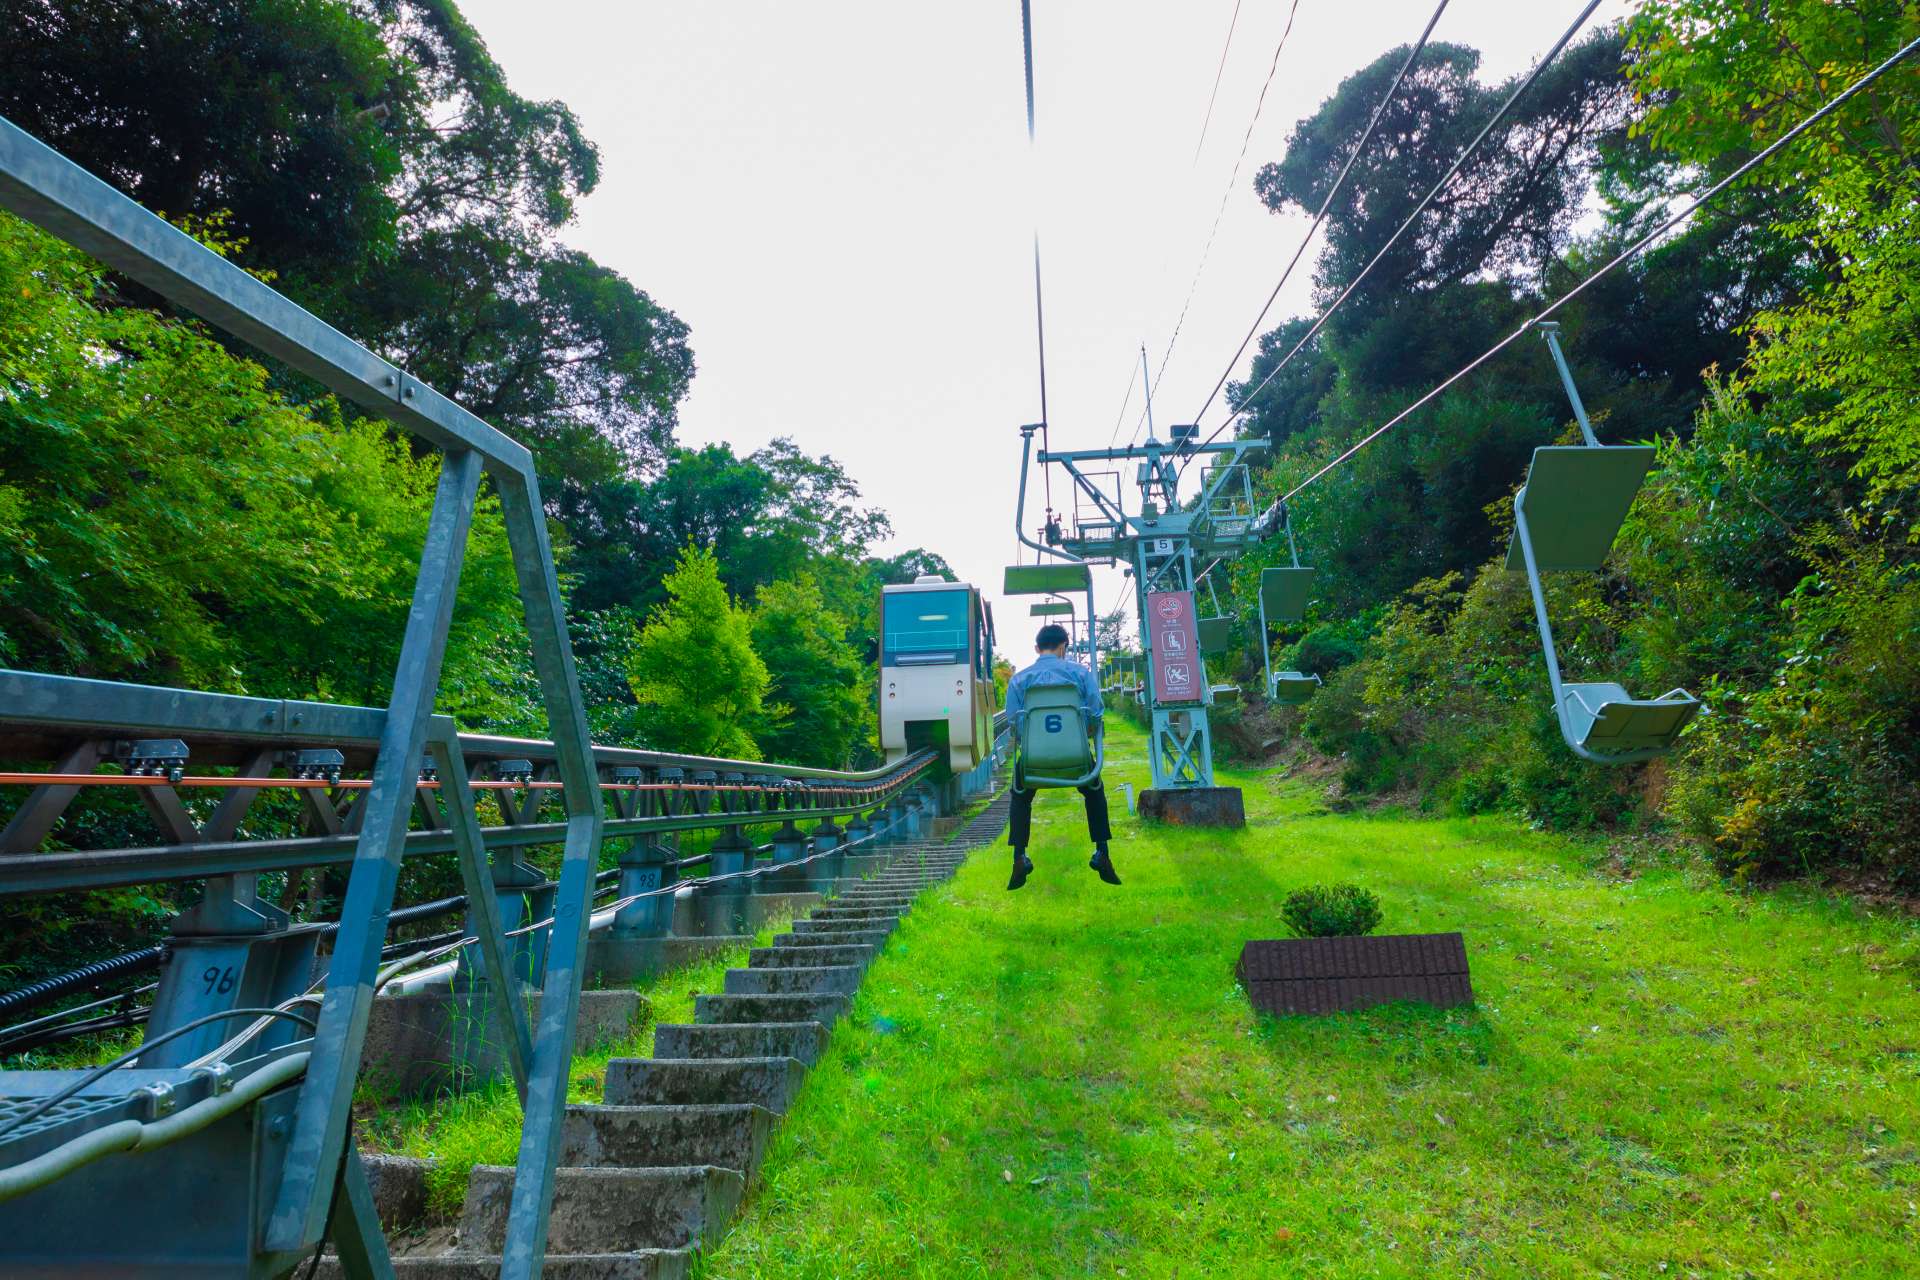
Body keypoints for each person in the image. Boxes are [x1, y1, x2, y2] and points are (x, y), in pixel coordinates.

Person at [1003, 623, 1120, 890]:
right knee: (1094, 790)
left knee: (1020, 794)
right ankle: (1102, 851)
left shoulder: (1019, 680)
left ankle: (1018, 856)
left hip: (1034, 762)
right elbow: (1096, 713)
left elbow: (1014, 723)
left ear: (1037, 648)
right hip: (1076, 759)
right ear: (1064, 646)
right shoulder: (1080, 674)